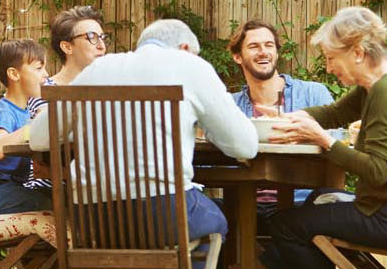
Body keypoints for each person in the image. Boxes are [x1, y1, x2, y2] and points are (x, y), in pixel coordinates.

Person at [30, 19, 256, 268]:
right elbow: (244, 146)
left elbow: (40, 138)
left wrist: (87, 128)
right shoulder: (190, 65)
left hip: (93, 222)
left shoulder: (98, 69)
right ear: (184, 49)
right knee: (217, 218)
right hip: (163, 216)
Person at [261, 6, 387, 268]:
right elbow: (335, 113)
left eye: (331, 57)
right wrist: (285, 118)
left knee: (286, 225)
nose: (328, 67)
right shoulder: (381, 84)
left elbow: (379, 171)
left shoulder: (386, 92)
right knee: (317, 199)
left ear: (357, 53)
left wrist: (325, 141)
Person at [225, 19, 336, 216]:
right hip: (245, 201)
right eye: (253, 46)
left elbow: (336, 141)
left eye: (269, 45)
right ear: (237, 56)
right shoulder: (229, 106)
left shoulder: (313, 94)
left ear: (276, 52)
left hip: (302, 201)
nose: (263, 52)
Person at [21, 6, 109, 190]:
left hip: (95, 189)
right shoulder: (45, 91)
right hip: (51, 190)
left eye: (102, 37)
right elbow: (44, 147)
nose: (101, 45)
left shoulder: (106, 90)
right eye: (92, 37)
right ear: (67, 46)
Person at [0, 39, 52, 217]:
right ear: (14, 74)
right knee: (45, 203)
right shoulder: (4, 111)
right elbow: (0, 147)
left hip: (10, 188)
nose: (46, 74)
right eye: (39, 68)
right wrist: (34, 127)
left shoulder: (26, 110)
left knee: (54, 198)